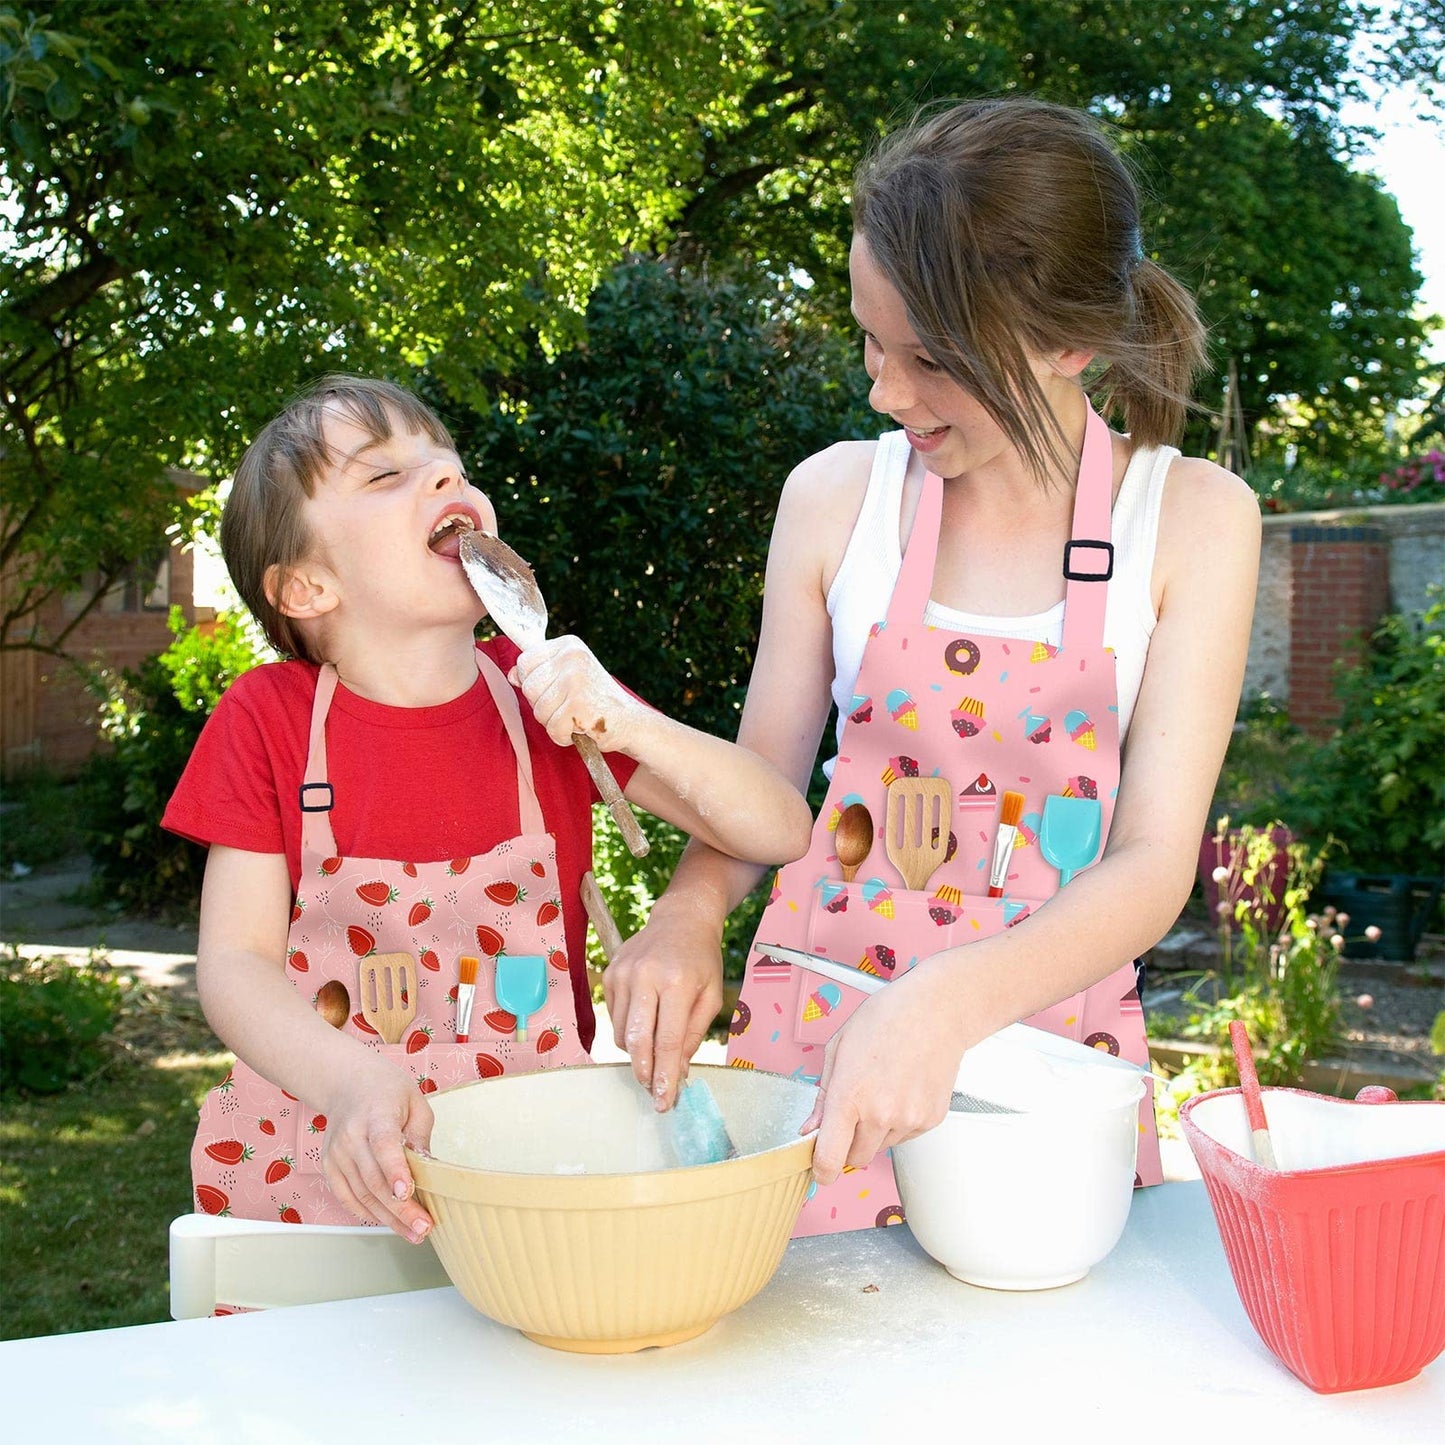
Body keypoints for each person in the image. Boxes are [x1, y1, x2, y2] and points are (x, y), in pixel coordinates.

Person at [605, 97, 1261, 1230]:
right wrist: (687, 906)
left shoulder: (1193, 518)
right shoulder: (833, 501)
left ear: (1069, 342)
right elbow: (759, 796)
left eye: (930, 359)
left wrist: (944, 1001)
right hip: (814, 1057)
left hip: (1042, 1083)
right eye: (867, 338)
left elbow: (1153, 863)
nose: (883, 391)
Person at [164, 375, 812, 1242]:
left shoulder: (547, 694)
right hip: (318, 1182)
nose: (444, 478)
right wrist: (350, 1080)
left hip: (528, 1189)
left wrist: (626, 724)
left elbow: (778, 825)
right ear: (306, 587)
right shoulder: (268, 721)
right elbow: (234, 965)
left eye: (449, 463)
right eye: (383, 476)